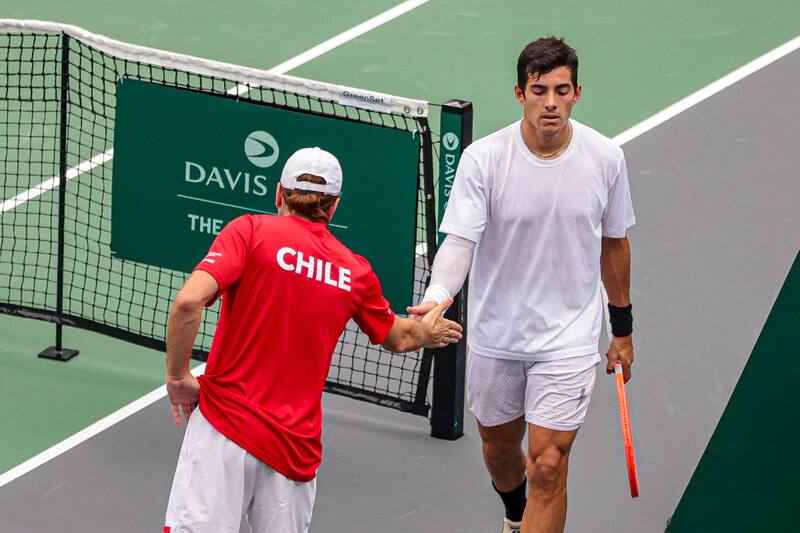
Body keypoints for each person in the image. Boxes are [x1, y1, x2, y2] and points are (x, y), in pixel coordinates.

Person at [162, 147, 463, 533]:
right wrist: (430, 330)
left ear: (279, 194)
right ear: (334, 206)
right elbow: (400, 337)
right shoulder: (354, 270)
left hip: (223, 429)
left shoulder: (249, 231)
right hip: (293, 449)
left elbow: (188, 302)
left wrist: (177, 379)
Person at [408, 37, 636, 533]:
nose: (550, 102)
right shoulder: (483, 159)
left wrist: (622, 329)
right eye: (539, 90)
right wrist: (435, 297)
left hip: (569, 338)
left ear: (578, 93)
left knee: (549, 466)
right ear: (519, 94)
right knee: (499, 451)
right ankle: (515, 515)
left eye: (561, 90)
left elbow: (614, 245)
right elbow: (459, 242)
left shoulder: (606, 158)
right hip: (498, 336)